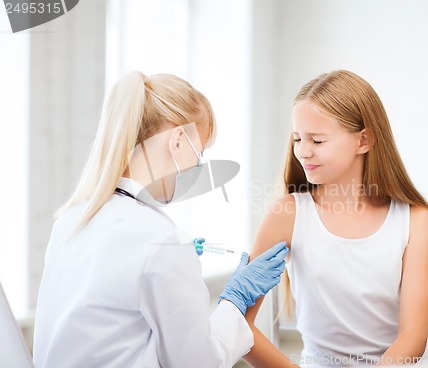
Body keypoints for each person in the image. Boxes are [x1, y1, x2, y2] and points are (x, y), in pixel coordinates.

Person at [32, 71, 289, 368]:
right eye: (201, 152)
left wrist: (169, 265)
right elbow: (197, 363)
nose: (198, 166)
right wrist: (235, 299)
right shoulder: (161, 239)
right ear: (179, 140)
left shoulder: (72, 217)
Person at [244, 70, 428, 367]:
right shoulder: (287, 214)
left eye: (318, 141)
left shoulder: (416, 220)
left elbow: (413, 337)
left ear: (364, 140)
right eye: (297, 138)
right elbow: (238, 325)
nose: (303, 152)